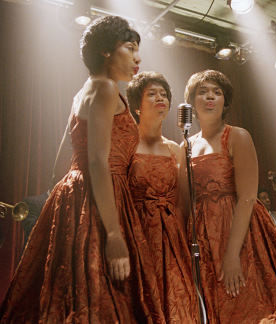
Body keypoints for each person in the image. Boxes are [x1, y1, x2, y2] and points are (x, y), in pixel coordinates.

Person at [1, 16, 163, 323]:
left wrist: (59, 203)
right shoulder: (104, 89)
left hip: (78, 195)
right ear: (105, 51)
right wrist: (114, 234)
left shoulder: (84, 91)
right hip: (98, 195)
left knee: (71, 288)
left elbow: (64, 154)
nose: (138, 57)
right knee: (101, 294)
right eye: (130, 48)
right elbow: (97, 161)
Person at [183, 69, 276, 323]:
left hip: (239, 231)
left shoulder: (237, 136)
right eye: (202, 92)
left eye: (217, 92)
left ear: (225, 102)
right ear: (191, 101)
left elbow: (247, 198)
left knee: (247, 306)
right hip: (203, 234)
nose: (210, 96)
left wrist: (232, 254)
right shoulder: (186, 145)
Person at [126, 71, 198, 322]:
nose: (161, 98)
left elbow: (183, 201)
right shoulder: (125, 145)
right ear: (136, 106)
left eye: (164, 94)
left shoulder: (175, 148)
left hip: (170, 236)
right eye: (152, 94)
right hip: (136, 233)